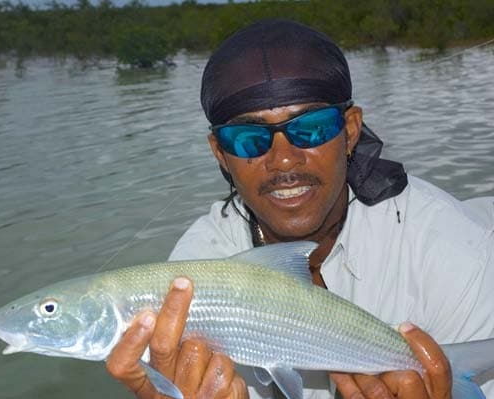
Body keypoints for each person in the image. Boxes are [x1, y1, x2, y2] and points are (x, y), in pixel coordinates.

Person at [105, 19, 494, 398]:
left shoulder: (455, 253)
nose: (284, 161)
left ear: (351, 131)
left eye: (311, 129)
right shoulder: (196, 270)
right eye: (247, 138)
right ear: (220, 154)